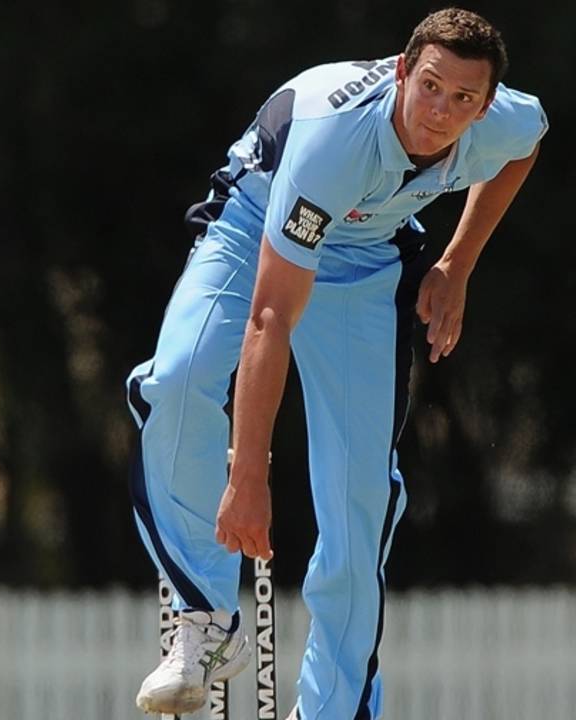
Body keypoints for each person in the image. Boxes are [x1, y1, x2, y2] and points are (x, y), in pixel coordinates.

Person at [124, 8, 546, 720]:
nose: (441, 113)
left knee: (359, 501)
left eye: (464, 100)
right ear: (404, 72)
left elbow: (523, 148)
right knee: (178, 381)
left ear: (485, 103)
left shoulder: (503, 120)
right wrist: (247, 476)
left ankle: (334, 710)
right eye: (431, 87)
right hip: (255, 223)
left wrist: (456, 263)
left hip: (369, 258)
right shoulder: (333, 143)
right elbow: (271, 318)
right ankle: (204, 621)